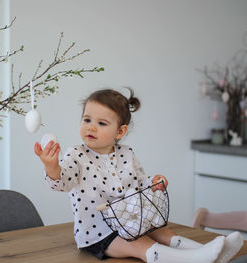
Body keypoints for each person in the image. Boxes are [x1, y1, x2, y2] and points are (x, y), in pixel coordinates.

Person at [34, 88, 243, 263]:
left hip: (131, 222)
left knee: (162, 231)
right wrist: (51, 166)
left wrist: (153, 182)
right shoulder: (76, 155)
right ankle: (196, 259)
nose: (91, 126)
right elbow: (62, 182)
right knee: (141, 244)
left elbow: (140, 183)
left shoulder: (126, 153)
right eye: (87, 119)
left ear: (120, 131)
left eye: (101, 123)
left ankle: (210, 251)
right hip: (99, 234)